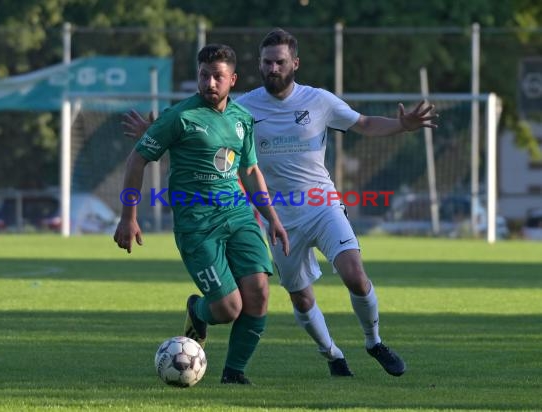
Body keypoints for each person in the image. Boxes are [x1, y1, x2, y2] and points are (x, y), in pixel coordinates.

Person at [122, 29, 438, 378]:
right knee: (295, 299)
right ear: (258, 65)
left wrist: (401, 125)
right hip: (271, 217)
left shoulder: (317, 100)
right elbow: (201, 134)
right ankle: (332, 355)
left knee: (352, 275)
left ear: (295, 64)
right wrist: (158, 134)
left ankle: (372, 342)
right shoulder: (243, 106)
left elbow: (362, 123)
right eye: (267, 62)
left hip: (320, 204)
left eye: (280, 62)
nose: (273, 68)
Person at [114, 43, 289, 385]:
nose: (210, 83)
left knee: (259, 293)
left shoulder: (242, 119)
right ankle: (198, 311)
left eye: (218, 77)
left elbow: (251, 172)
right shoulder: (179, 117)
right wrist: (128, 216)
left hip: (238, 216)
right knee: (228, 309)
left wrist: (273, 217)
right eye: (204, 75)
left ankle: (234, 373)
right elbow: (137, 159)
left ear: (232, 80)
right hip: (197, 225)